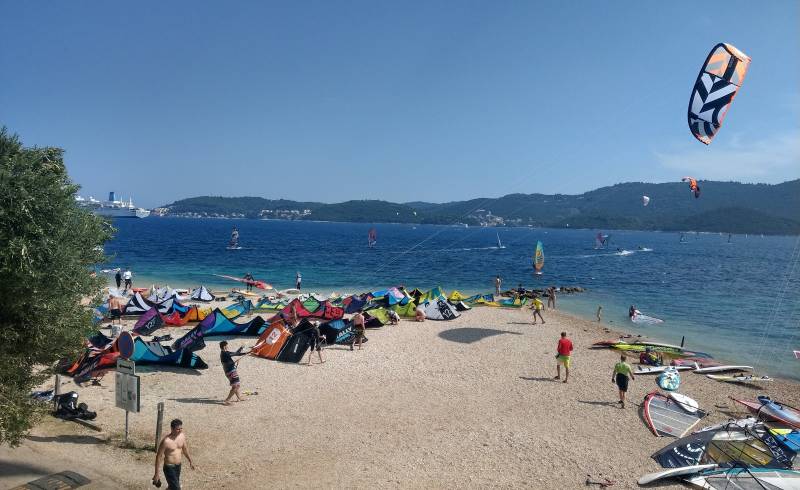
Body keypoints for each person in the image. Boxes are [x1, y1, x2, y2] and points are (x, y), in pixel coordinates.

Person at [154, 419, 196, 490]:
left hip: (178, 466)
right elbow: (158, 457)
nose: (180, 430)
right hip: (169, 468)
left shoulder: (182, 436)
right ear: (172, 429)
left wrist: (190, 461)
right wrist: (156, 474)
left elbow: (185, 449)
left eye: (181, 428)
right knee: (176, 488)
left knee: (172, 486)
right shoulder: (166, 441)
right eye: (177, 429)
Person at [220, 341, 246, 405]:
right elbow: (236, 354)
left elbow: (236, 354)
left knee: (236, 385)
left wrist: (242, 349)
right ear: (224, 346)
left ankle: (239, 397)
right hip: (230, 372)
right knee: (236, 386)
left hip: (230, 371)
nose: (228, 347)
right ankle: (227, 400)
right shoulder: (225, 354)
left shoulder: (224, 353)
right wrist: (235, 362)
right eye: (227, 345)